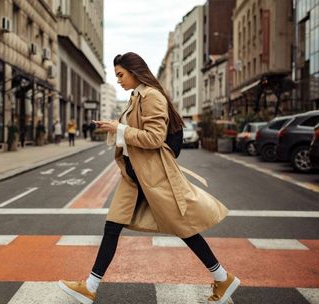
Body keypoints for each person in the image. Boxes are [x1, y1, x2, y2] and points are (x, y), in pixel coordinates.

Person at [58, 52, 239, 304]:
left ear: (135, 71)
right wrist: (115, 127)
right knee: (112, 227)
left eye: (121, 75)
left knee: (183, 228)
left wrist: (119, 128)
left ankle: (222, 277)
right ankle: (90, 286)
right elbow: (135, 134)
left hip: (153, 176)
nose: (119, 80)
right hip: (134, 176)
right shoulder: (136, 97)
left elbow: (154, 138)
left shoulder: (152, 96)